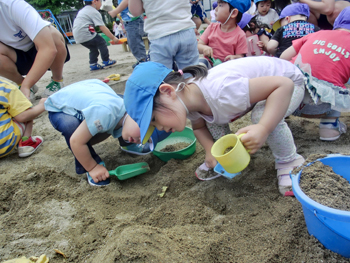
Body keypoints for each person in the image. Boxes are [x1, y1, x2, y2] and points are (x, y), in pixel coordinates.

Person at [123, 58, 307, 196]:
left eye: (154, 119)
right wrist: (211, 151)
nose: (159, 128)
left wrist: (264, 128)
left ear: (167, 91)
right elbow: (199, 127)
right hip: (261, 92)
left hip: (289, 86)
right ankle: (226, 158)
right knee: (213, 122)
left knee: (260, 117)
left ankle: (289, 161)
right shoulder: (188, 103)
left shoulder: (222, 91)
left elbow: (283, 85)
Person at [44, 79, 170, 186]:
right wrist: (92, 167)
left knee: (118, 114)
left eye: (146, 139)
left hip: (90, 90)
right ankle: (91, 164)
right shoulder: (105, 114)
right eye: (143, 133)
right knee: (72, 129)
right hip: (61, 107)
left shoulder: (125, 111)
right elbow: (76, 141)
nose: (141, 139)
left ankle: (126, 143)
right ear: (136, 114)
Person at [280, 6, 350, 141]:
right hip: (319, 106)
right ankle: (329, 128)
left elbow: (283, 58)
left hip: (284, 99)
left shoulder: (316, 34)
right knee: (338, 84)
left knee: (295, 73)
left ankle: (282, 116)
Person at [0, 0, 70, 99]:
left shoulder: (13, 5)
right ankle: (23, 83)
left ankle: (57, 80)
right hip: (16, 55)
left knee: (52, 34)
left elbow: (48, 48)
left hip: (43, 49)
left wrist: (26, 85)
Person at [128, 0, 199, 70]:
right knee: (191, 74)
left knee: (162, 76)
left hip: (160, 33)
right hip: (185, 29)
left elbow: (135, 11)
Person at [0, 79, 46, 159]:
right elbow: (23, 116)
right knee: (24, 108)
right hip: (4, 145)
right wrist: (43, 105)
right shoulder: (6, 87)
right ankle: (26, 143)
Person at [197, 0, 250, 68]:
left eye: (220, 5)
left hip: (227, 69)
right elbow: (198, 45)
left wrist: (234, 58)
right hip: (209, 66)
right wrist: (204, 48)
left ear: (233, 13)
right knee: (201, 63)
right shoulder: (211, 27)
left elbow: (240, 57)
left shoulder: (240, 35)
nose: (216, 9)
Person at [72, 0, 117, 71]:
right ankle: (106, 60)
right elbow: (102, 27)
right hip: (85, 32)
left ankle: (93, 64)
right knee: (102, 42)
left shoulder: (83, 10)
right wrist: (113, 38)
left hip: (77, 35)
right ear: (94, 2)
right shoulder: (93, 11)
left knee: (93, 48)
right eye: (100, 1)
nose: (101, 4)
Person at [108, 0, 148, 69]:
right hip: (129, 20)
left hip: (133, 20)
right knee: (132, 42)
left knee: (135, 42)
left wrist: (116, 11)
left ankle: (143, 60)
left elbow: (127, 1)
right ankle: (141, 59)